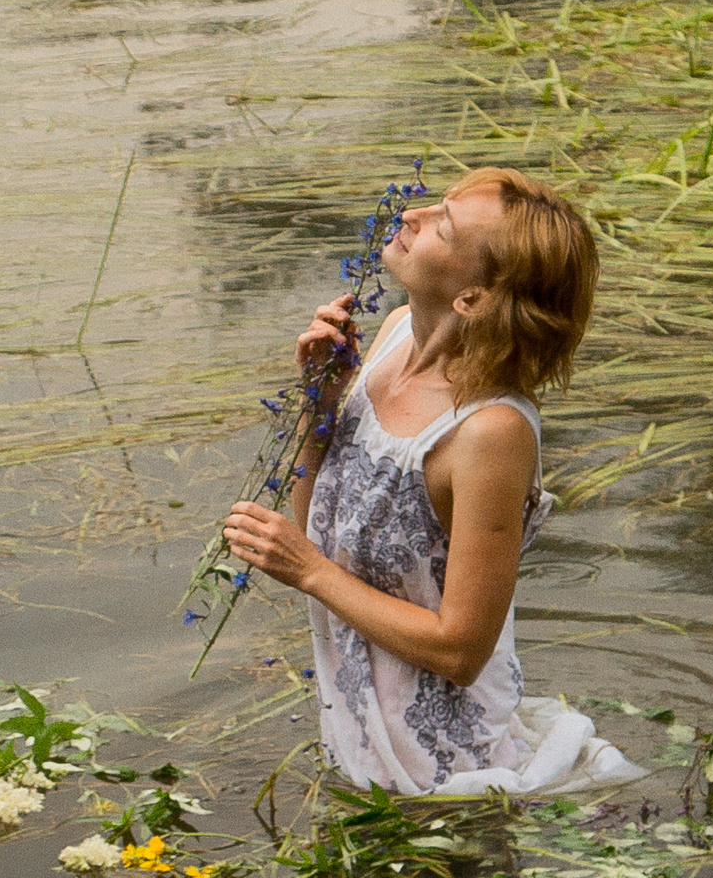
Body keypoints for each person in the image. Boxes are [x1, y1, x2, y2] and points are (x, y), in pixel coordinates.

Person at [222, 167, 643, 795]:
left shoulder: (490, 431)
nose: (409, 216)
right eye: (435, 205)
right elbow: (323, 529)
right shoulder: (393, 334)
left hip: (446, 775)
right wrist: (322, 405)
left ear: (472, 298)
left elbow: (461, 651)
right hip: (359, 740)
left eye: (441, 226)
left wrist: (308, 571)